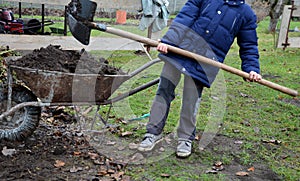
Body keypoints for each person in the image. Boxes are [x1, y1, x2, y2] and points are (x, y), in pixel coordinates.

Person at [137, 0, 262, 158]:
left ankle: (185, 138)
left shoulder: (246, 14)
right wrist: (169, 41)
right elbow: (185, 18)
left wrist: (252, 69)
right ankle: (152, 133)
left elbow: (249, 45)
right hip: (178, 50)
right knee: (164, 92)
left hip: (204, 62)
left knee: (191, 99)